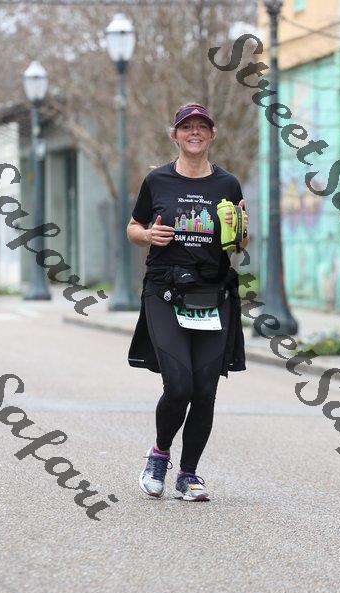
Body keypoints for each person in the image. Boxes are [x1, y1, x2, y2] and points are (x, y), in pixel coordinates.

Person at [127, 102, 248, 502]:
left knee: (205, 389)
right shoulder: (157, 180)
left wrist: (239, 230)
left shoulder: (228, 184)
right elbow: (133, 226)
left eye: (201, 127)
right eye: (186, 127)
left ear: (212, 135)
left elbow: (239, 242)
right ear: (175, 135)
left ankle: (189, 475)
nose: (194, 132)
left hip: (213, 293)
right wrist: (148, 236)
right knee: (179, 385)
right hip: (165, 291)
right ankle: (159, 454)